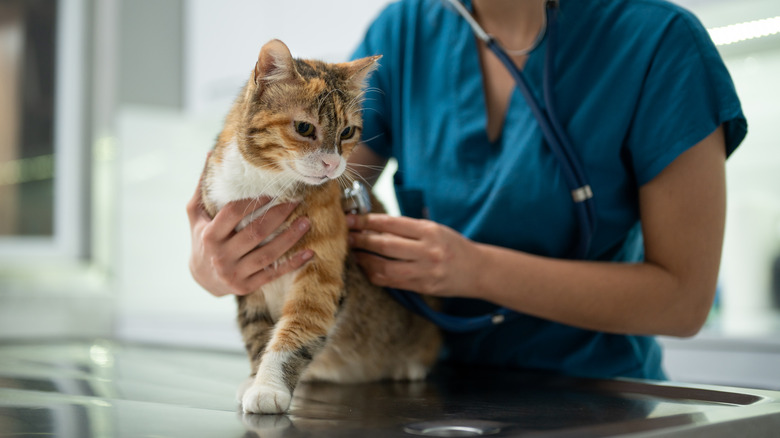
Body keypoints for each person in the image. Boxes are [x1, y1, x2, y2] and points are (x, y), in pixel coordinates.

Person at [187, 0, 746, 380]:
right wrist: (216, 262)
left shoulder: (661, 44)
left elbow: (683, 302)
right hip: (426, 384)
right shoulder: (406, 30)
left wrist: (473, 269)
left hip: (599, 397)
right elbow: (311, 196)